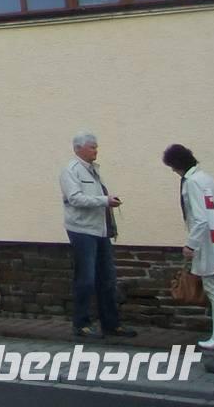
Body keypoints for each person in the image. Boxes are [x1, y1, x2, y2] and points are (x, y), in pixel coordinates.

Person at [60, 132, 136, 339]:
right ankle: (81, 325)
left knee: (107, 279)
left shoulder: (94, 170)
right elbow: (75, 199)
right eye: (92, 147)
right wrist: (105, 200)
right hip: (82, 230)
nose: (96, 150)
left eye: (96, 146)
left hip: (101, 230)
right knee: (85, 279)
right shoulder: (71, 171)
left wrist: (106, 201)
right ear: (78, 149)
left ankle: (111, 324)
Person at [163, 144, 214, 349]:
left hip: (209, 242)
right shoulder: (206, 178)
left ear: (177, 164)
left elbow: (201, 219)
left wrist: (190, 245)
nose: (172, 171)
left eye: (172, 166)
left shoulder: (192, 182)